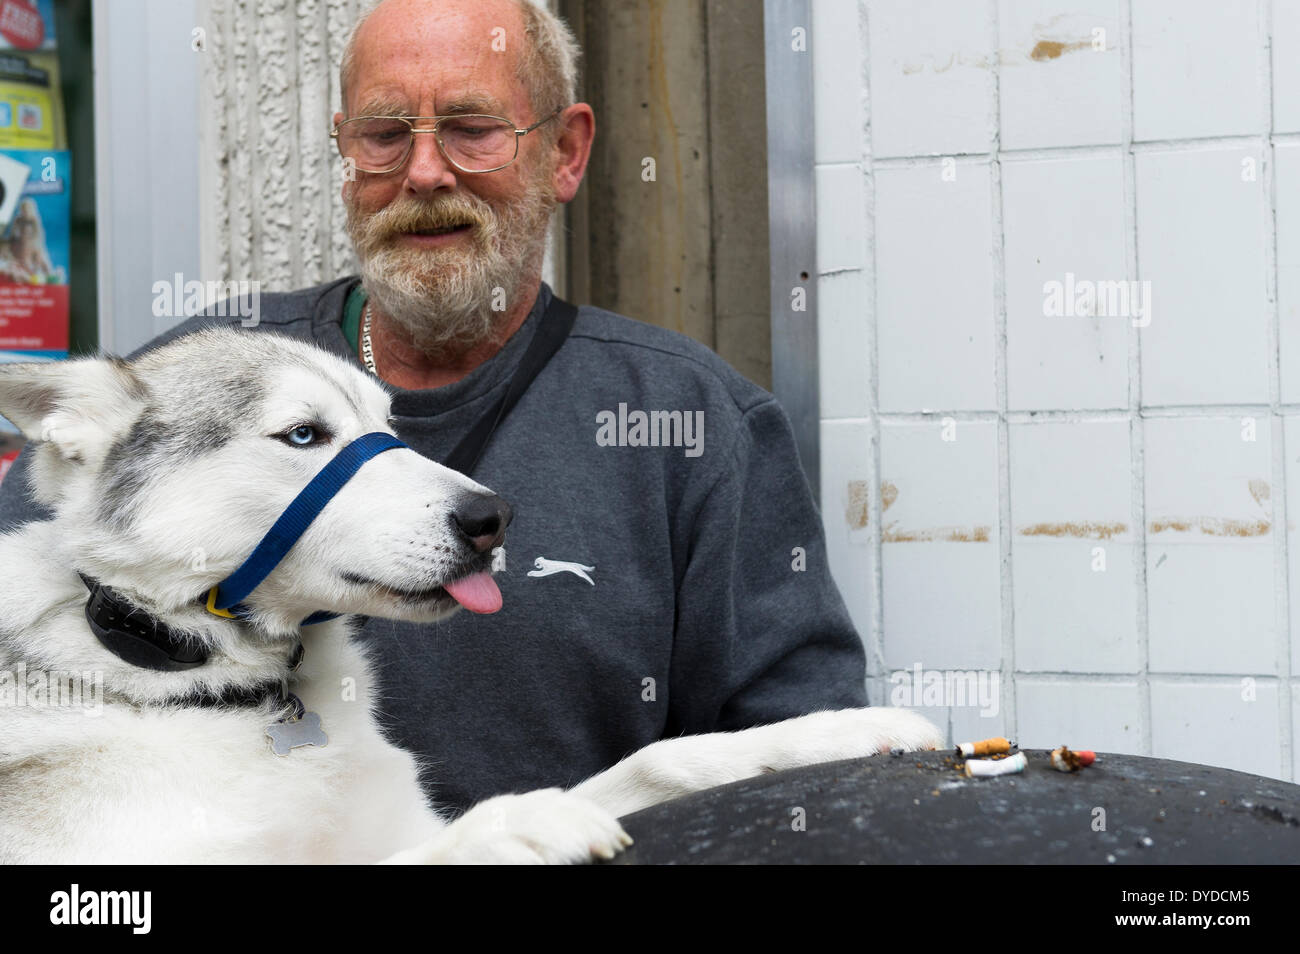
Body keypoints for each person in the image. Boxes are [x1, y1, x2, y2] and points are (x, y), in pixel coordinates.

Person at [0, 0, 867, 815]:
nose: (423, 172)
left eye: (471, 129)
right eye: (383, 135)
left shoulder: (695, 423)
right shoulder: (192, 390)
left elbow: (808, 779)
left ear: (565, 152)